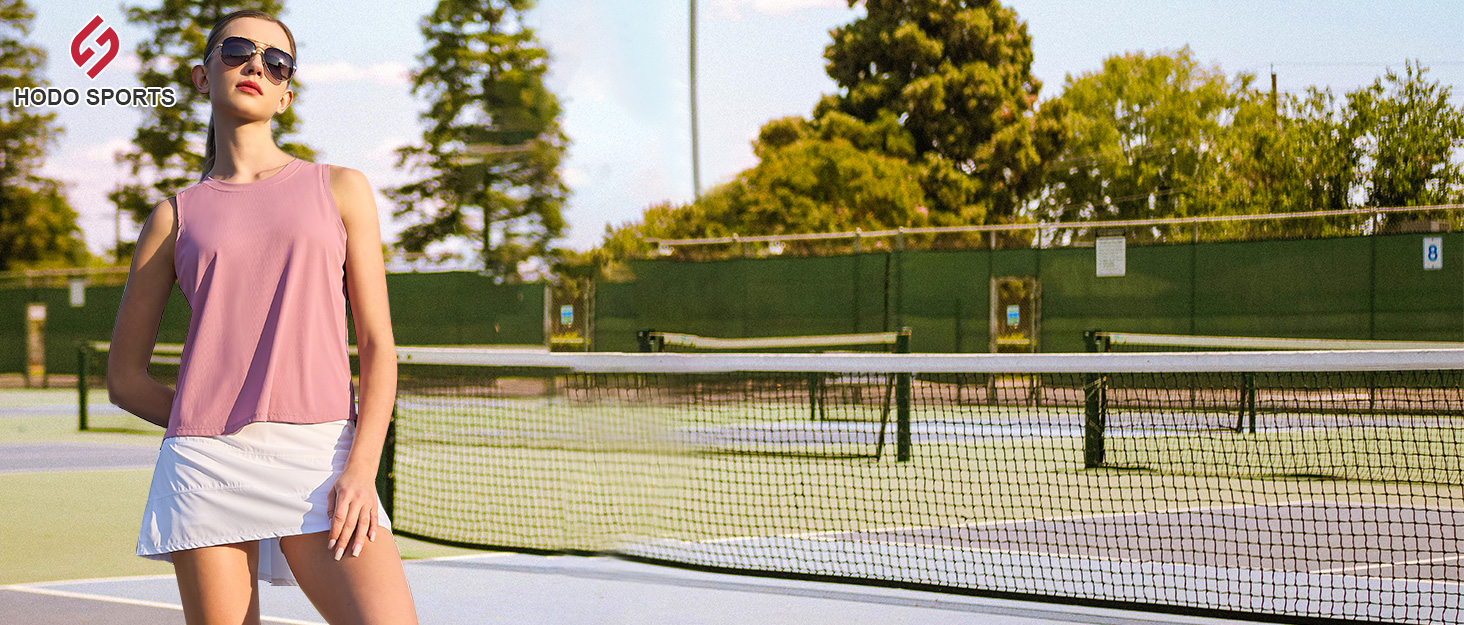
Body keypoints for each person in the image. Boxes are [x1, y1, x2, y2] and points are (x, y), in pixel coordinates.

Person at [106, 9, 419, 624]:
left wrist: (362, 467)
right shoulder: (173, 217)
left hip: (324, 458)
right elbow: (124, 379)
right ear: (201, 77)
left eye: (276, 62)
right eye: (238, 51)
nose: (256, 64)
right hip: (207, 468)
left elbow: (379, 347)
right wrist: (212, 421)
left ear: (285, 94)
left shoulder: (342, 188)